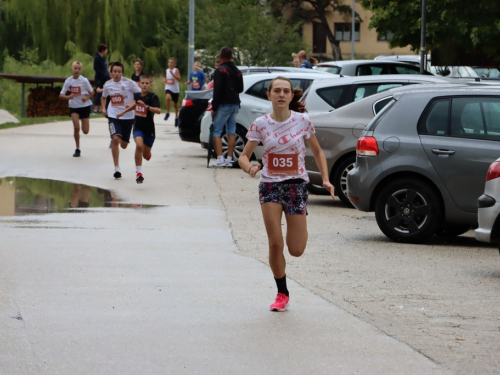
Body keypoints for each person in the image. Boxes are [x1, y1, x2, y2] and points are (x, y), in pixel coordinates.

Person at [238, 76, 335, 312]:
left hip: (296, 186)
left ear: (292, 96)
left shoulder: (302, 121)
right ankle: (282, 292)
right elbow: (243, 156)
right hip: (270, 186)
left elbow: (318, 152)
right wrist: (250, 167)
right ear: (269, 95)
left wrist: (325, 179)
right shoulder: (260, 124)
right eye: (277, 91)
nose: (281, 95)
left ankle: (298, 228)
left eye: (286, 91)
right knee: (275, 243)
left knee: (296, 249)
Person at [116, 75, 161, 184]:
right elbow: (135, 105)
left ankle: (148, 154)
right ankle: (139, 173)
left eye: (147, 83)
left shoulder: (153, 97)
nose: (144, 85)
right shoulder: (136, 95)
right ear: (139, 84)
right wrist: (123, 112)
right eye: (143, 83)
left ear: (150, 85)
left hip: (149, 130)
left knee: (145, 155)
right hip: (138, 127)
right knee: (139, 145)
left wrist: (147, 107)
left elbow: (158, 110)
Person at [101, 62, 142, 179]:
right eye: (115, 71)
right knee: (115, 139)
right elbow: (103, 97)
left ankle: (120, 138)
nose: (117, 74)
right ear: (111, 73)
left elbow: (141, 94)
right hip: (114, 115)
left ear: (122, 72)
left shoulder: (129, 83)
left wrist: (133, 103)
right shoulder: (107, 85)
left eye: (119, 71)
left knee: (123, 145)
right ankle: (117, 168)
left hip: (128, 117)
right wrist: (104, 108)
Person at [209, 46, 244, 168]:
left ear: (220, 57)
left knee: (217, 131)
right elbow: (240, 89)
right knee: (231, 131)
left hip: (224, 104)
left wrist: (214, 107)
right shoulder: (237, 71)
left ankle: (219, 158)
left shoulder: (221, 70)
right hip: (235, 103)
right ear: (231, 57)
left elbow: (217, 90)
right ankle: (229, 158)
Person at [59, 61, 94, 157]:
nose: (77, 70)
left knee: (85, 131)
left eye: (79, 69)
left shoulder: (84, 80)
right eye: (75, 68)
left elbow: (92, 92)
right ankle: (78, 148)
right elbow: (61, 95)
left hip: (84, 106)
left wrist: (86, 98)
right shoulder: (68, 81)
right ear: (72, 69)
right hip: (74, 106)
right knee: (76, 127)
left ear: (81, 70)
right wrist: (68, 97)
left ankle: (84, 127)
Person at [163, 57, 181, 126]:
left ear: (175, 64)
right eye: (169, 62)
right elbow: (168, 78)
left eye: (171, 62)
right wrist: (166, 80)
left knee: (175, 105)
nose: (170, 64)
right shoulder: (167, 70)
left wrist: (173, 74)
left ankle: (176, 117)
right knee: (167, 98)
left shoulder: (176, 70)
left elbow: (179, 79)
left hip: (175, 89)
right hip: (168, 87)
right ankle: (167, 112)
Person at [93, 43, 109, 113]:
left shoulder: (103, 58)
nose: (106, 51)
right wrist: (103, 73)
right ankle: (96, 108)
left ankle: (101, 107)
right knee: (99, 92)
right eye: (106, 50)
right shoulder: (97, 58)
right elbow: (96, 68)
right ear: (102, 50)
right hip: (99, 78)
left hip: (105, 78)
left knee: (103, 92)